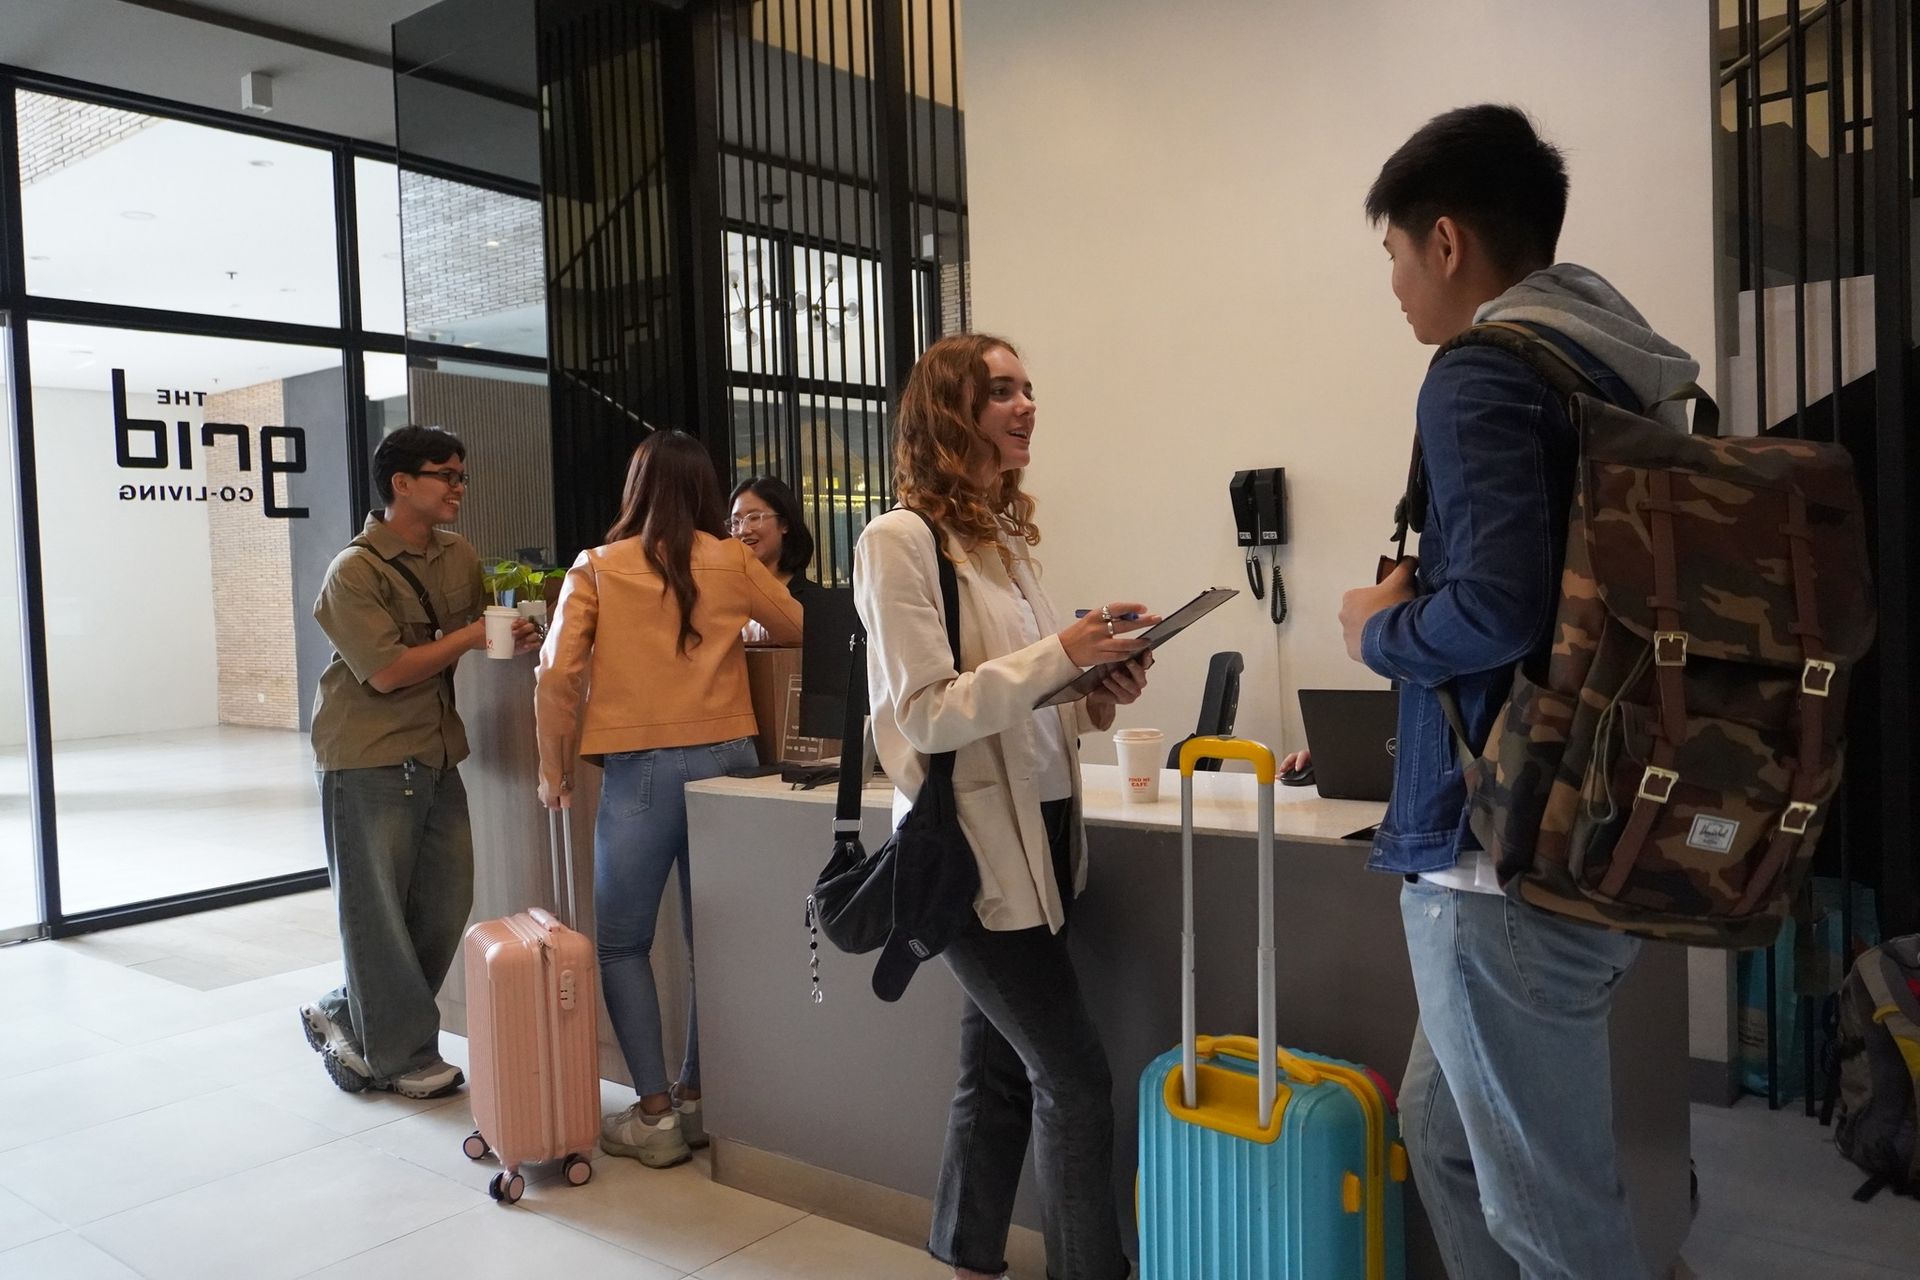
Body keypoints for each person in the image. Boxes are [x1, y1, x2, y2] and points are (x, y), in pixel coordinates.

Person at [1294, 105, 1700, 1279]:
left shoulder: (1477, 377)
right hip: (1604, 820)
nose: (1396, 286)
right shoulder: (1617, 372)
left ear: (1449, 240)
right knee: (1445, 1135)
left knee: (1554, 1222)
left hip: (1498, 856)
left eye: (1394, 256)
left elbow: (1497, 615)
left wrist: (1377, 627)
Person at [855, 333, 1156, 1280]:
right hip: (972, 852)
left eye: (1028, 389)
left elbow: (1017, 698)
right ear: (950, 411)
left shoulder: (1006, 540)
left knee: (996, 1074)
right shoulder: (898, 540)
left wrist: (1098, 682)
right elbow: (929, 713)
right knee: (1074, 1078)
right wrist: (1065, 652)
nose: (1025, 406)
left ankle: (965, 1254)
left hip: (1042, 833)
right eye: (999, 391)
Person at [535, 429, 803, 1169]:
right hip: (733, 764)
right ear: (709, 492)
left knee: (623, 942)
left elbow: (556, 676)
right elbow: (801, 628)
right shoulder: (734, 558)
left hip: (642, 770)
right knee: (712, 941)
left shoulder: (597, 566)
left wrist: (553, 770)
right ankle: (697, 1099)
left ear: (636, 487)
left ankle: (652, 1115)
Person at [301, 425, 539, 1098]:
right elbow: (386, 673)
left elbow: (467, 637)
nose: (459, 488)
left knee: (443, 905)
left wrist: (508, 638)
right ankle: (403, 1057)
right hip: (366, 756)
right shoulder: (354, 571)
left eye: (462, 475)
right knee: (376, 913)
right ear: (402, 483)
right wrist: (467, 635)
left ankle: (346, 1011)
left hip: (435, 751)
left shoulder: (456, 554)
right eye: (447, 476)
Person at [730, 475, 816, 644]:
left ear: (784, 524)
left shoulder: (814, 604)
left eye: (754, 518)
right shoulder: (726, 600)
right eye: (735, 522)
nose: (743, 530)